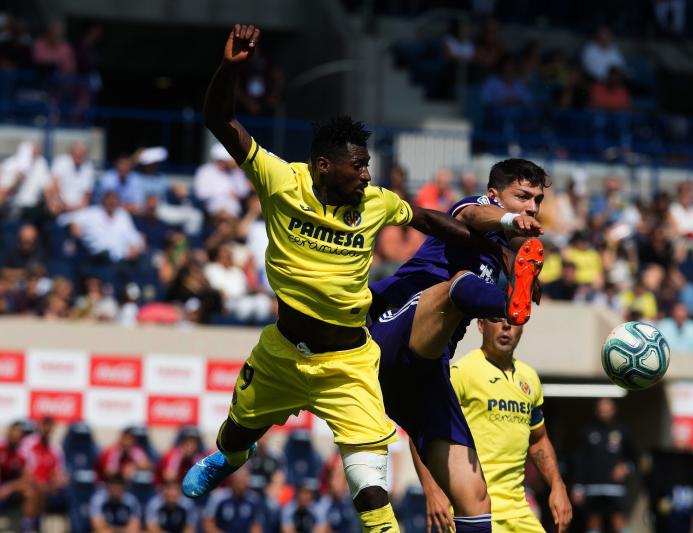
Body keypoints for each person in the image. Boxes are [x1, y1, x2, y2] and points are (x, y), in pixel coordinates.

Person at [183, 24, 516, 533]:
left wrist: (497, 237)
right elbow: (219, 119)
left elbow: (429, 221)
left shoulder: (376, 203)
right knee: (233, 436)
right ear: (323, 166)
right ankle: (227, 458)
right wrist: (230, 66)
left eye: (368, 166)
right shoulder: (281, 181)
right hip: (282, 354)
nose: (366, 175)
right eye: (357, 166)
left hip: (348, 363)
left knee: (370, 486)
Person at [369, 159, 547, 532]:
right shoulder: (473, 208)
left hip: (426, 369)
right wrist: (509, 221)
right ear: (495, 194)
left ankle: (510, 304)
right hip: (387, 333)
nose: (531, 208)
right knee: (458, 284)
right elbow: (474, 216)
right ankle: (508, 306)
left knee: (475, 499)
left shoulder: (504, 256)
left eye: (538, 201)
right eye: (523, 197)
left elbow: (507, 250)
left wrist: (520, 272)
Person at [416, 317, 572, 533]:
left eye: (513, 321)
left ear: (522, 328)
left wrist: (557, 485)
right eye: (496, 320)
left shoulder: (530, 378)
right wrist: (432, 491)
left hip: (519, 511)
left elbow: (538, 439)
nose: (506, 326)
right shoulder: (462, 372)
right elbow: (421, 428)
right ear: (481, 326)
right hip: (475, 512)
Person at [572, 399, 637, 533]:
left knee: (618, 521)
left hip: (615, 487)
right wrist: (578, 486)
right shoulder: (588, 431)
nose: (604, 412)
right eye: (601, 410)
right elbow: (580, 460)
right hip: (592, 487)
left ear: (613, 410)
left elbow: (634, 458)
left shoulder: (622, 431)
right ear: (597, 411)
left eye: (607, 409)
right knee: (593, 522)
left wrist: (626, 468)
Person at [203, 468, 263, 533]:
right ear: (232, 480)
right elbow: (208, 524)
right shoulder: (218, 497)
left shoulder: (254, 499)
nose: (241, 483)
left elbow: (256, 526)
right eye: (239, 480)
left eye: (244, 480)